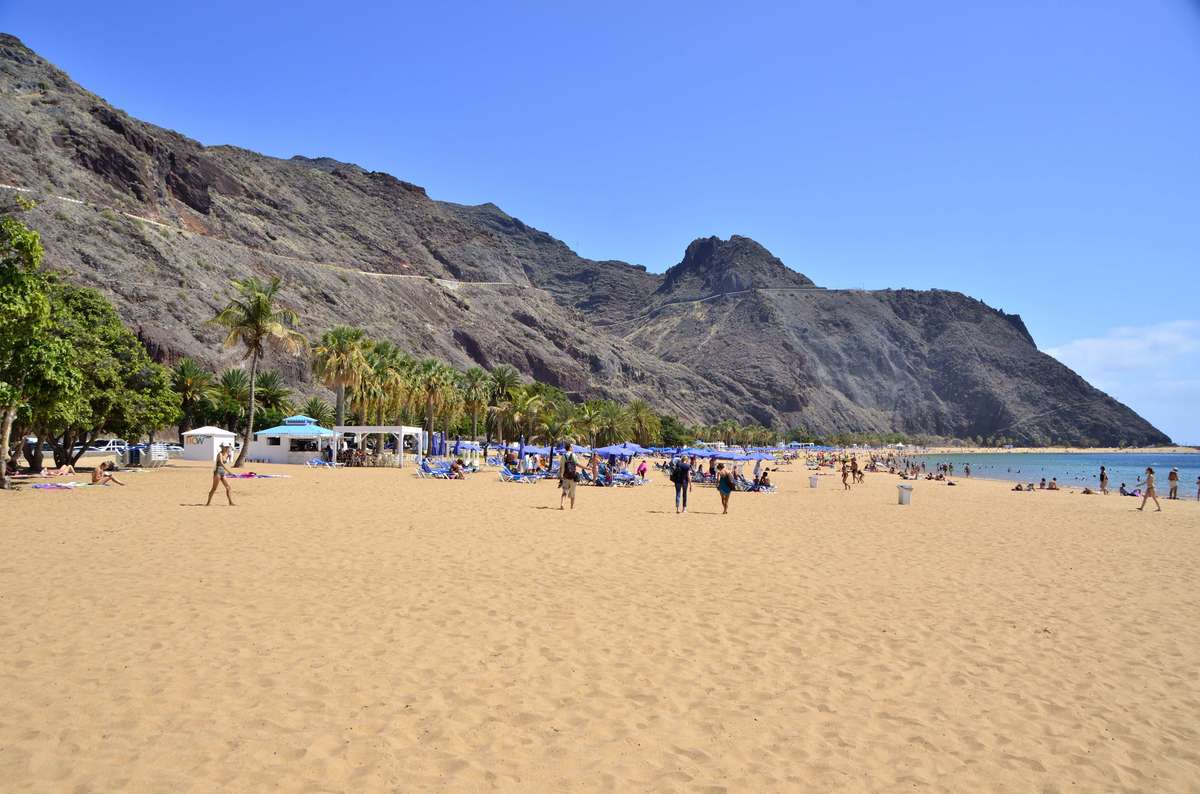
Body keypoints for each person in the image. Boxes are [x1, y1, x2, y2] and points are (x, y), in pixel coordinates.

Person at [558, 443, 581, 510]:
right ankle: (572, 507)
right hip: (573, 476)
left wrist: (561, 476)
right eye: (572, 447)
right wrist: (586, 468)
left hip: (565, 476)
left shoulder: (563, 456)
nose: (572, 448)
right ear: (570, 448)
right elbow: (578, 464)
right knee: (573, 492)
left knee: (564, 491)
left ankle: (562, 505)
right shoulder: (573, 455)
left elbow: (561, 467)